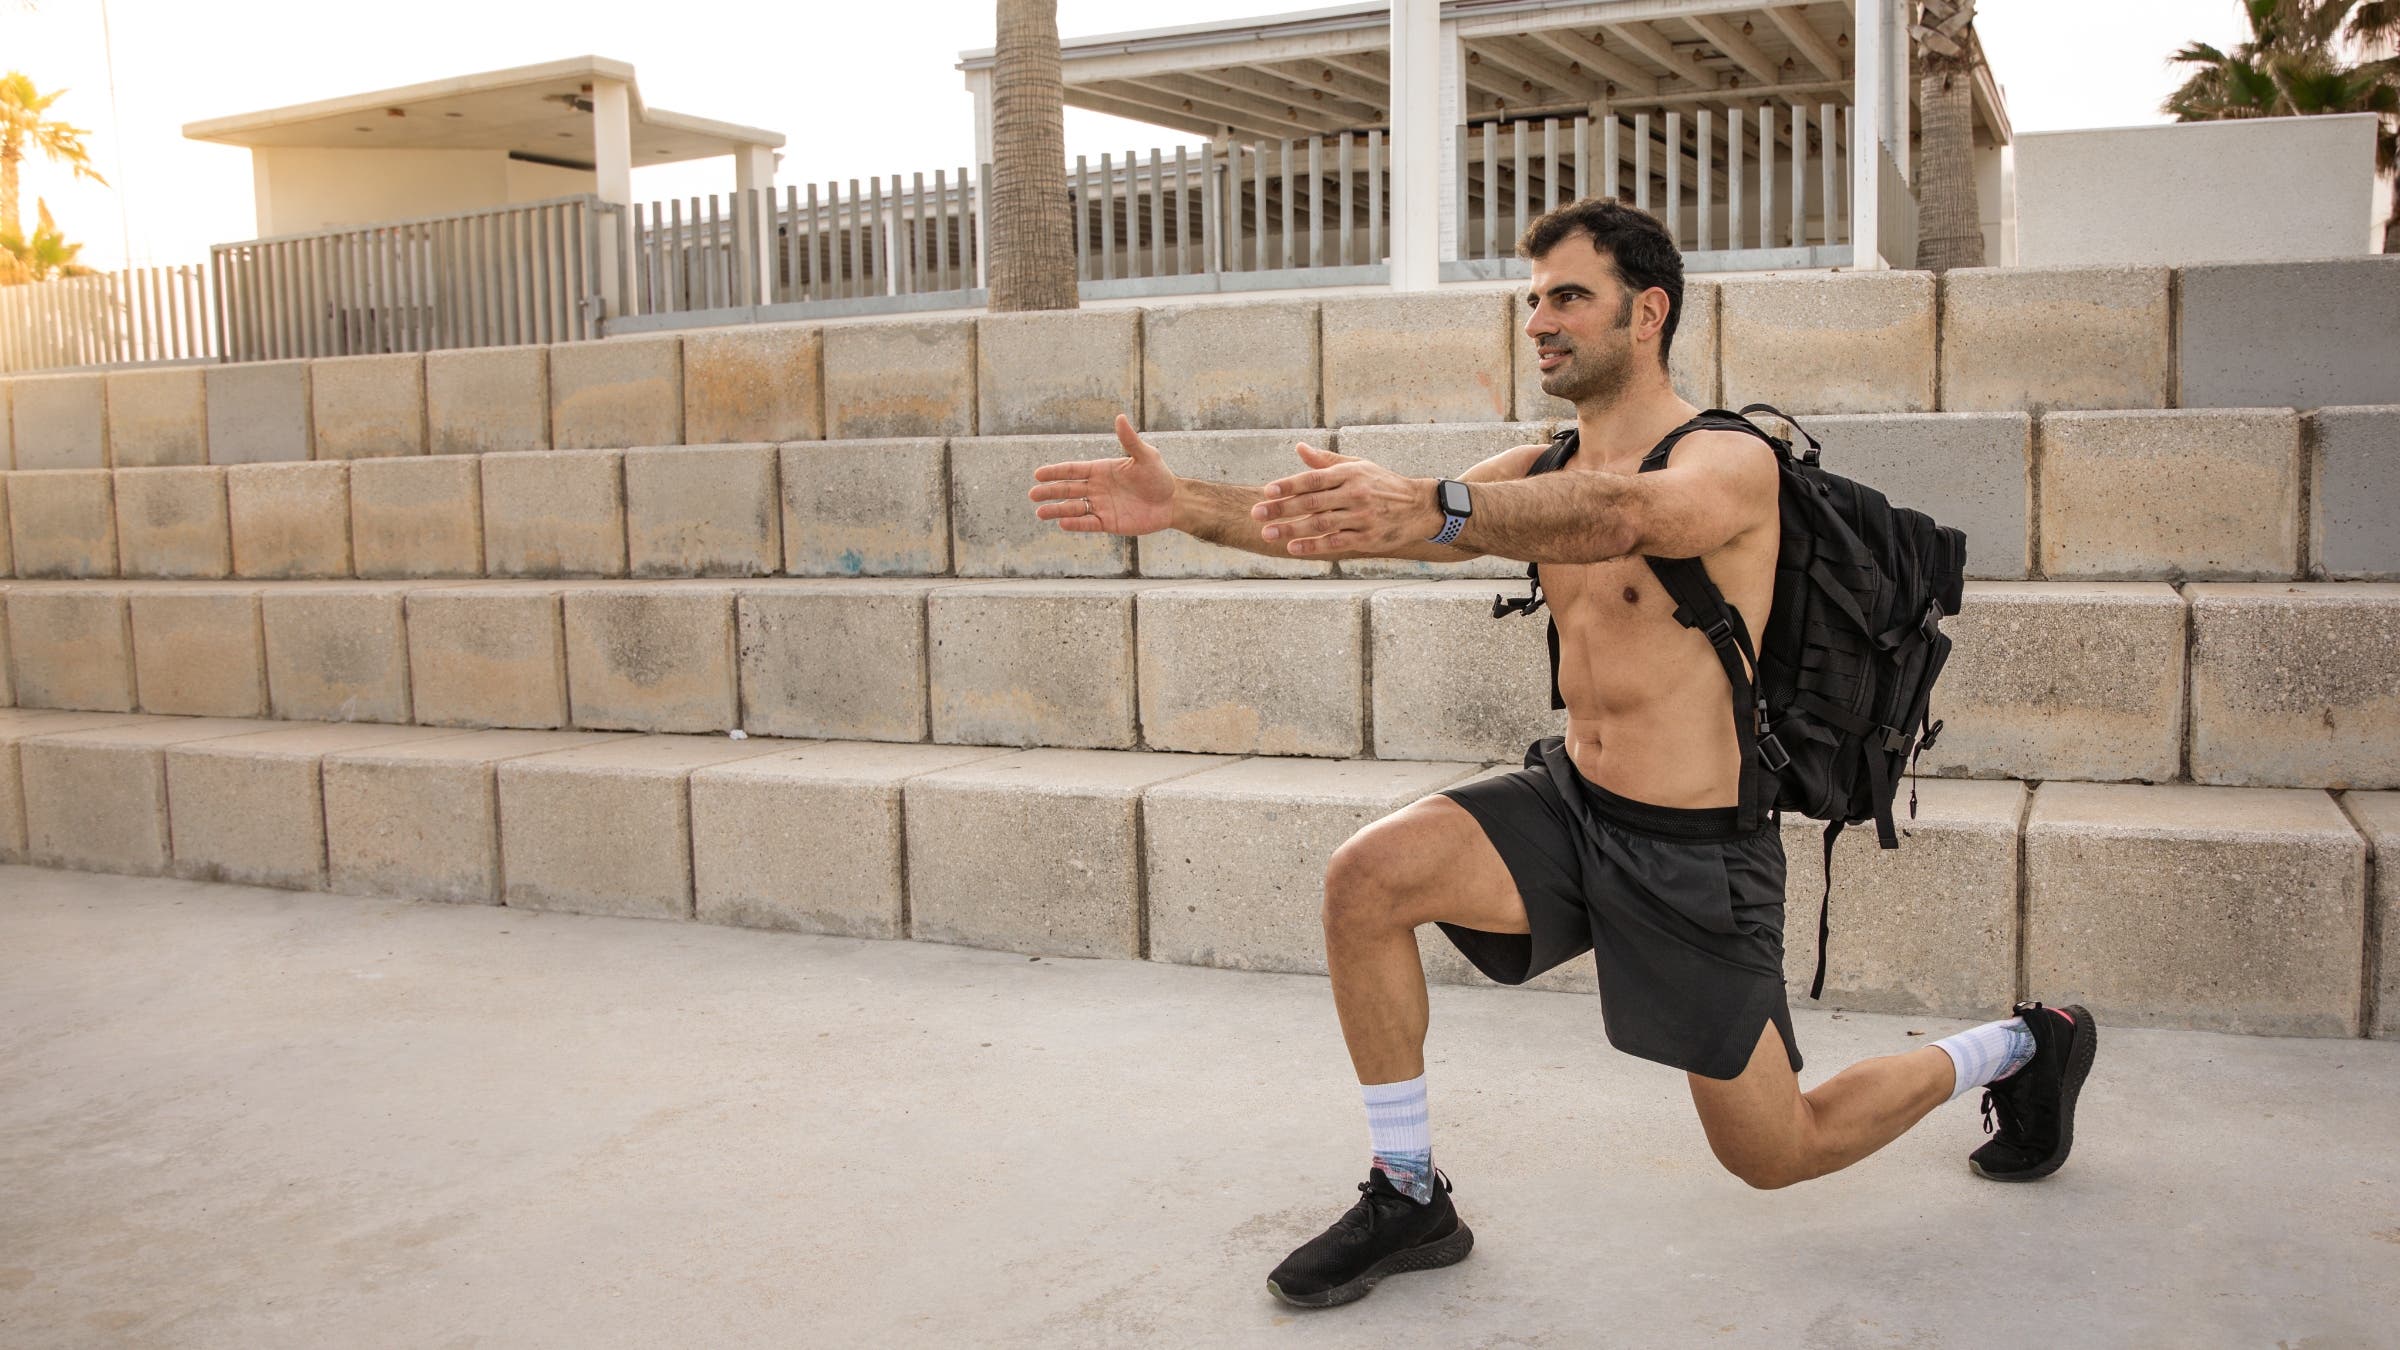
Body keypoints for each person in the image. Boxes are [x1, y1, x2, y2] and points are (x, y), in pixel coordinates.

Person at [1025, 197, 2098, 1310]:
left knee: (1780, 1150)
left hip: (1697, 854)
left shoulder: (1730, 460)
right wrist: (1181, 502)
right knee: (1367, 878)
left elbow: (1622, 516)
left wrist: (1439, 503)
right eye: (1534, 299)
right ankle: (1409, 1193)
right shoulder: (1543, 461)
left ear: (1649, 313)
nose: (1539, 321)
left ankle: (2025, 1045)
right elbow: (1366, 519)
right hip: (1574, 804)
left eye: (1570, 297)